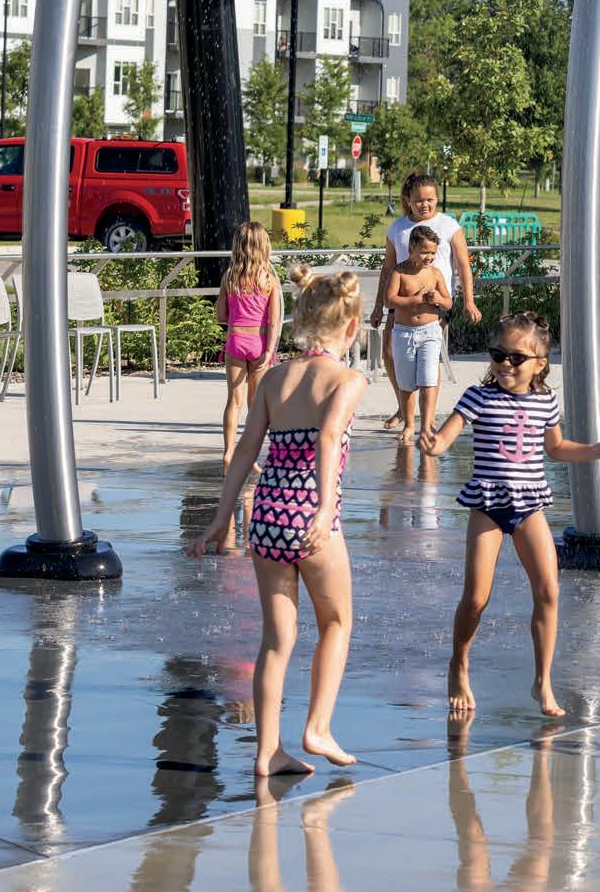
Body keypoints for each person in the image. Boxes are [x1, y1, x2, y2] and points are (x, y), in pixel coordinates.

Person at [188, 266, 367, 776]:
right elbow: (328, 438)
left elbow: (246, 451)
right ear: (351, 327)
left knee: (275, 639)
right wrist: (325, 509)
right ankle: (318, 728)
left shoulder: (272, 378)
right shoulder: (348, 380)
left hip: (266, 517)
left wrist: (221, 517)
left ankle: (268, 751)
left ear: (300, 320)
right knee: (336, 622)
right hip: (311, 514)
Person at [418, 312, 600, 717]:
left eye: (517, 358)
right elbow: (445, 438)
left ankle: (543, 681)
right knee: (476, 598)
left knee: (548, 591)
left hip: (529, 505)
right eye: (498, 355)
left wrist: (595, 451)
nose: (506, 364)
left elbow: (556, 448)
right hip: (489, 505)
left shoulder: (546, 402)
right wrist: (433, 445)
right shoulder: (478, 397)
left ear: (540, 364)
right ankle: (459, 662)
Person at [371, 172, 481, 423]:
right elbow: (388, 269)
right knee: (389, 352)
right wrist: (378, 306)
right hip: (401, 300)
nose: (425, 204)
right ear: (407, 200)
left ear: (437, 199)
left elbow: (463, 265)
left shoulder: (449, 225)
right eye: (419, 200)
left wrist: (469, 301)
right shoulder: (397, 228)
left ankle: (428, 419)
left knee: (428, 357)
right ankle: (404, 408)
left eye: (430, 199)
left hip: (436, 303)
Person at [216, 220, 283, 463]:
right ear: (264, 246)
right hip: (259, 341)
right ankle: (251, 457)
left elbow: (220, 315)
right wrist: (270, 350)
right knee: (255, 405)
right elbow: (274, 320)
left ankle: (228, 452)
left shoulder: (230, 277)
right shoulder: (268, 279)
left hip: (235, 339)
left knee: (234, 401)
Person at [383, 224, 452, 439]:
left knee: (428, 380)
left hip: (430, 332)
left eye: (433, 253)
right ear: (411, 248)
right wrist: (415, 300)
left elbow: (448, 302)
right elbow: (389, 300)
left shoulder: (435, 274)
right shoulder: (399, 272)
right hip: (404, 332)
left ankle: (426, 426)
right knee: (406, 384)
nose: (429, 257)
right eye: (424, 252)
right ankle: (409, 425)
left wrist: (438, 299)